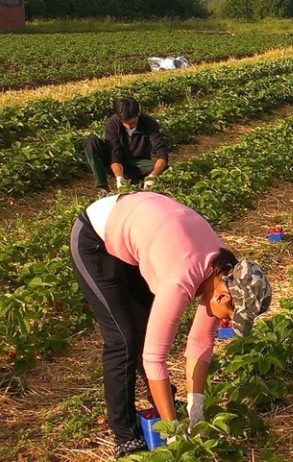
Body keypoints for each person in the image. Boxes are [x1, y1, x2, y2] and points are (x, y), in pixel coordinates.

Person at [69, 191, 272, 458]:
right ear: (223, 297)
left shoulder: (223, 270)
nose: (225, 320)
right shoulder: (180, 281)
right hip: (96, 235)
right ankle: (125, 435)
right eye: (230, 315)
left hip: (143, 229)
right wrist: (174, 432)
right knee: (124, 339)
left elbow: (200, 340)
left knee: (146, 330)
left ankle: (164, 408)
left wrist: (196, 404)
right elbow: (155, 358)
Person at [84, 97, 169, 197]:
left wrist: (153, 175)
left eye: (132, 123)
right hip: (115, 162)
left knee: (164, 168)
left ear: (139, 113)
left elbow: (162, 153)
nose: (128, 126)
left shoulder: (149, 123)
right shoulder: (112, 123)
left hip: (137, 162)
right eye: (125, 124)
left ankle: (141, 181)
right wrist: (119, 177)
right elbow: (114, 154)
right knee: (91, 142)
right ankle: (104, 189)